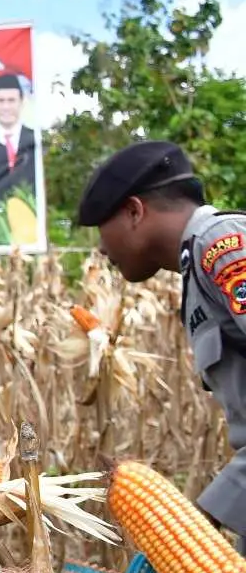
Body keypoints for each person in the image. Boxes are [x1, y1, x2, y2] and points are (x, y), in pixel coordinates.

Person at [75, 141, 246, 550]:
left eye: (102, 225)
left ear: (135, 211)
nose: (101, 248)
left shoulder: (222, 245)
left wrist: (203, 518)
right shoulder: (198, 262)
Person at [0, 72, 36, 197]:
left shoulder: (36, 141)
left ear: (21, 102)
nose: (6, 107)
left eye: (11, 100)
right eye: (0, 101)